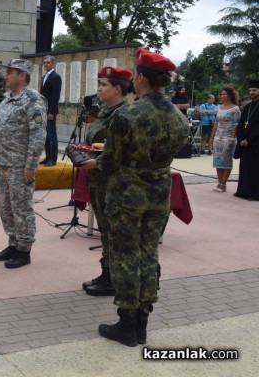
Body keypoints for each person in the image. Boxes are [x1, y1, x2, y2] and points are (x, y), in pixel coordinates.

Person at [80, 48, 189, 346]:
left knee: (125, 255)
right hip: (159, 191)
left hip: (127, 194)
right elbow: (178, 148)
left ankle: (127, 324)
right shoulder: (178, 117)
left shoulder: (128, 114)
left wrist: (93, 163)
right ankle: (142, 322)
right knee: (149, 254)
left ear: (140, 78)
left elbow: (111, 160)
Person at [0, 59, 47, 269]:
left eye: (11, 73)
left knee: (21, 207)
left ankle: (24, 250)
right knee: (6, 207)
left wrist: (31, 164)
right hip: (3, 162)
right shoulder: (6, 99)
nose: (7, 76)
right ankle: (13, 243)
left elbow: (38, 133)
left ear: (22, 75)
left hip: (20, 164)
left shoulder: (33, 100)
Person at [81, 66, 132, 297]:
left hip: (113, 181)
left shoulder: (125, 114)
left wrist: (97, 160)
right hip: (98, 179)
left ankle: (113, 278)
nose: (99, 89)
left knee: (112, 231)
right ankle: (106, 272)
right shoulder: (104, 112)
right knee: (104, 230)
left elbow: (124, 153)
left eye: (104, 85)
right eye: (99, 84)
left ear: (118, 88)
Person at [209, 86, 240, 193]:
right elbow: (216, 123)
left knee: (226, 160)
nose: (223, 96)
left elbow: (236, 124)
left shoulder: (235, 109)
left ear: (230, 95)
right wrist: (212, 137)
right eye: (221, 94)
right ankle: (219, 182)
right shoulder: (219, 107)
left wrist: (232, 137)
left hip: (228, 137)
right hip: (218, 137)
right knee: (217, 160)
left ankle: (223, 183)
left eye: (225, 94)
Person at [234, 79, 259, 201]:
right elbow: (241, 124)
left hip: (256, 144)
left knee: (255, 169)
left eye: (254, 90)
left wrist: (250, 139)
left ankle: (255, 194)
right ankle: (243, 191)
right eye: (250, 90)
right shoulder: (248, 107)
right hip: (245, 143)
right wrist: (242, 138)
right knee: (245, 167)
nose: (252, 92)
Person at [39, 55, 62, 167]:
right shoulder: (44, 77)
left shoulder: (55, 77)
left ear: (53, 64)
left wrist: (51, 112)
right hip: (43, 110)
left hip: (50, 111)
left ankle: (53, 158)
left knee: (52, 135)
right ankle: (47, 156)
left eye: (48, 62)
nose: (45, 64)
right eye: (44, 63)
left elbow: (55, 96)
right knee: (45, 135)